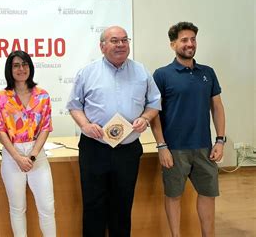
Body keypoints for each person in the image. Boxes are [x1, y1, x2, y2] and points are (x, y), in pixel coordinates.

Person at [66, 26, 161, 237]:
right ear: (102, 46)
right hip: (95, 147)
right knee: (93, 204)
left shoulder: (141, 71)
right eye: (114, 41)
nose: (120, 45)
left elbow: (154, 102)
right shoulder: (87, 72)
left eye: (124, 40)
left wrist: (145, 118)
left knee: (123, 203)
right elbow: (74, 105)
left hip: (127, 150)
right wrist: (85, 125)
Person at [150, 22, 225, 237]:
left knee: (208, 194)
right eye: (184, 40)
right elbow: (154, 113)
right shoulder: (162, 75)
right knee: (173, 195)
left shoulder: (208, 73)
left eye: (193, 39)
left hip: (204, 147)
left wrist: (220, 140)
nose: (190, 44)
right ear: (173, 44)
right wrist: (162, 145)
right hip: (174, 150)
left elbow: (217, 107)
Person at [0, 50, 56, 237]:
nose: (21, 69)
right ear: (9, 69)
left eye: (25, 64)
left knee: (47, 206)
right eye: (16, 65)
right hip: (12, 155)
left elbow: (45, 127)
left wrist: (33, 155)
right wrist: (18, 157)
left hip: (37, 154)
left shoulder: (42, 95)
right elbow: (0, 130)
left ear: (30, 67)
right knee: (17, 208)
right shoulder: (1, 97)